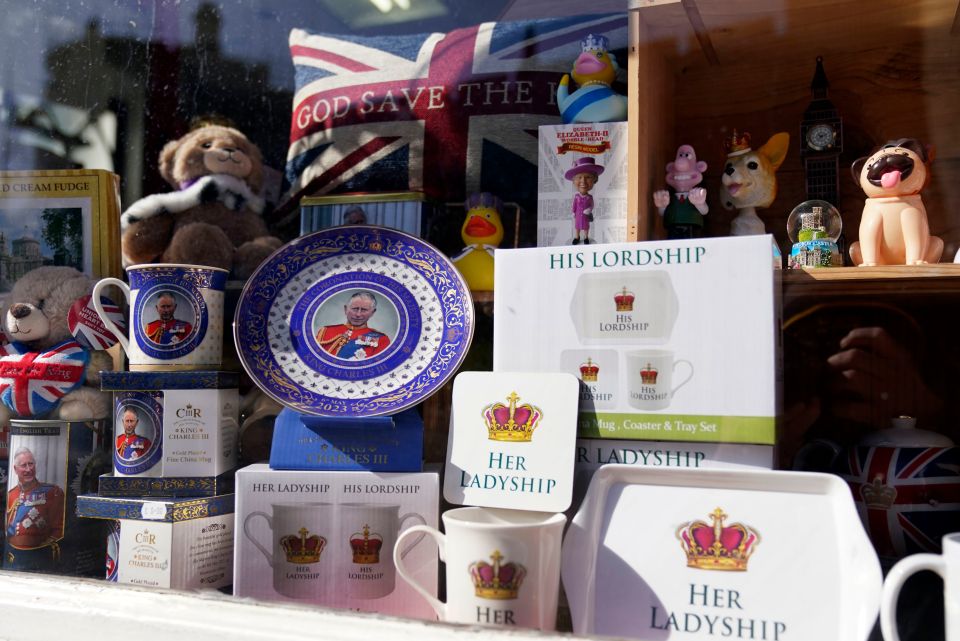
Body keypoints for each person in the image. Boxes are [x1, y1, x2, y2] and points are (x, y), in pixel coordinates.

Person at [5, 446, 65, 550]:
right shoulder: (10, 495)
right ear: (15, 469)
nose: (29, 469)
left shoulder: (52, 492)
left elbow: (59, 530)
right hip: (13, 555)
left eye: (31, 464)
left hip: (39, 554)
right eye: (24, 465)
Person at [316, 291, 390, 360]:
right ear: (345, 309)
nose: (358, 314)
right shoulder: (325, 331)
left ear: (372, 312)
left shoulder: (381, 339)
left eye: (364, 310)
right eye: (355, 309)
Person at [565, 157, 604, 245]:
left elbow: (592, 205)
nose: (583, 181)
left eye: (588, 177)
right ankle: (577, 237)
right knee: (577, 226)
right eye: (579, 177)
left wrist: (589, 209)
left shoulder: (589, 197)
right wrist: (573, 212)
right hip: (578, 214)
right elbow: (574, 205)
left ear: (594, 180)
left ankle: (586, 237)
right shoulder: (576, 196)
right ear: (574, 181)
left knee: (586, 226)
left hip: (585, 215)